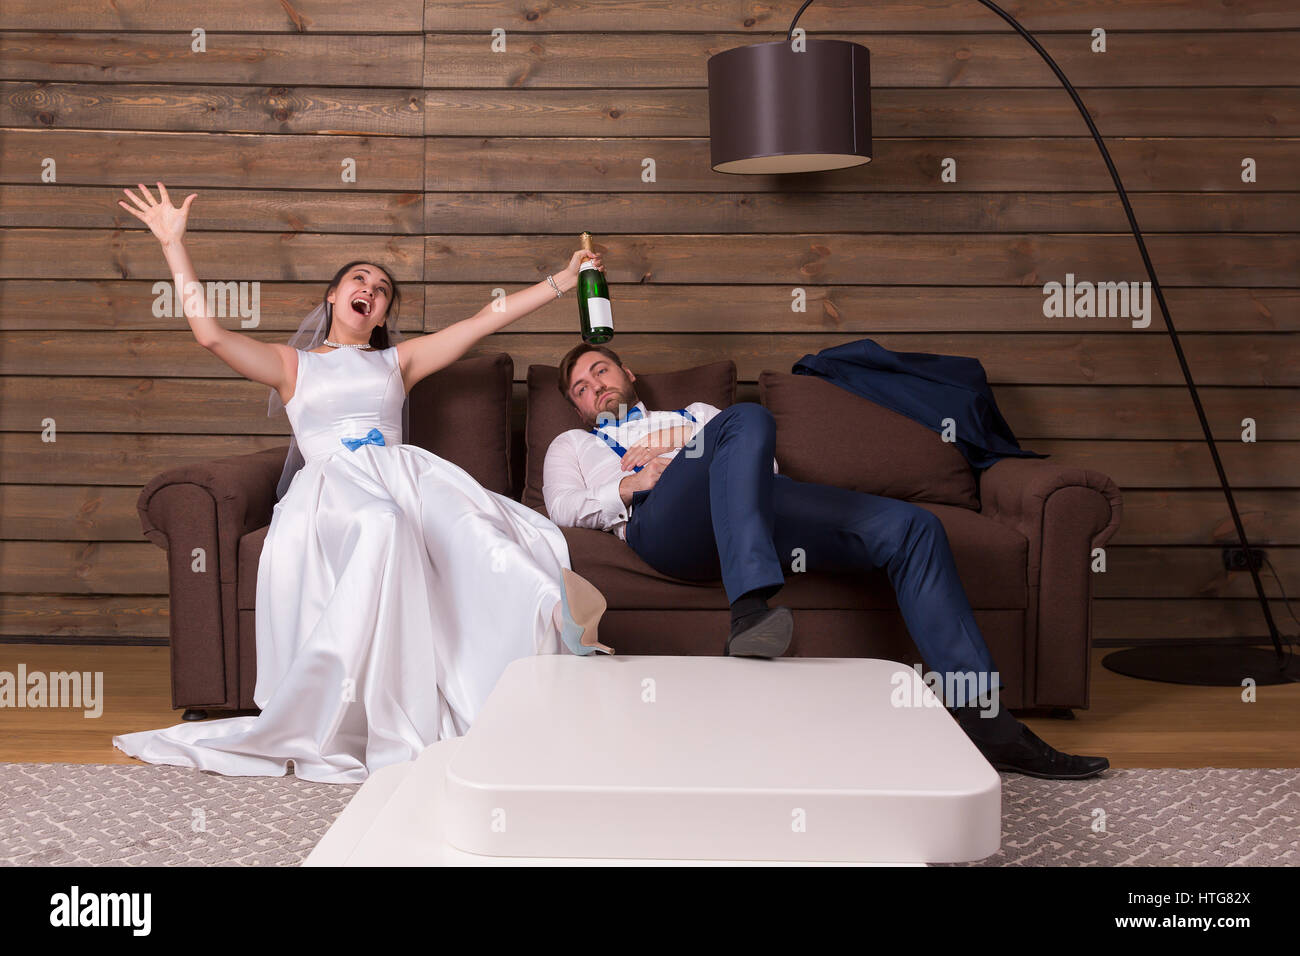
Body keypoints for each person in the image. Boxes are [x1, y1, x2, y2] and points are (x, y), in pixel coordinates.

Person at [110, 183, 609, 784]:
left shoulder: (397, 363)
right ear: (333, 296)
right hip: (334, 488)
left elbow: (484, 320)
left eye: (381, 291)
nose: (370, 292)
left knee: (472, 527)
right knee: (382, 523)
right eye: (360, 282)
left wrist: (562, 279)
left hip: (404, 472)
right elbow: (211, 336)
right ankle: (360, 702)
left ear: (381, 316)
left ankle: (556, 614)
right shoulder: (294, 366)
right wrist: (173, 244)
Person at [543, 342, 1110, 781]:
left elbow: (758, 473)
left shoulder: (696, 413)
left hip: (753, 506)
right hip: (666, 526)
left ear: (628, 374)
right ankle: (750, 612)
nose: (595, 387)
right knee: (742, 421)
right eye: (581, 388)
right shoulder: (574, 446)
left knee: (913, 527)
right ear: (576, 405)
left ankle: (987, 720)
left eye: (601, 371)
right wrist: (637, 481)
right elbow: (565, 507)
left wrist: (686, 452)